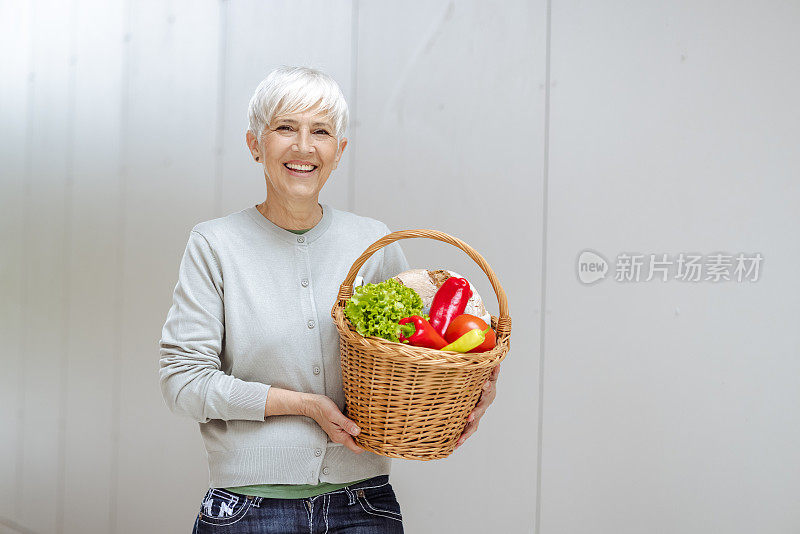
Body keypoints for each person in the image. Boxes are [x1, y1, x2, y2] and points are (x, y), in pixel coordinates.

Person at [159, 65, 499, 533]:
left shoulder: (373, 244)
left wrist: (469, 396)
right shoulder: (216, 245)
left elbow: (426, 352)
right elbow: (183, 383)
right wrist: (302, 404)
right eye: (285, 128)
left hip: (364, 506)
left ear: (339, 151)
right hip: (250, 510)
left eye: (320, 131)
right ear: (255, 144)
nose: (303, 146)